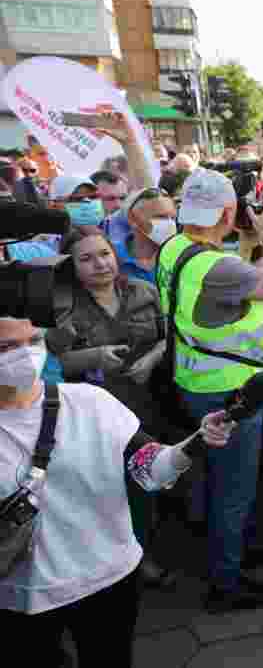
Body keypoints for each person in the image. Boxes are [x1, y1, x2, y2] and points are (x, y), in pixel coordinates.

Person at [0, 316, 232, 667]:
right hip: (22, 595)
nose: (23, 354)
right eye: (6, 347)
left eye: (31, 340)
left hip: (108, 578)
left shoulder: (90, 402)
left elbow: (148, 468)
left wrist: (192, 445)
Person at [155, 168, 263, 612]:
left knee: (216, 481)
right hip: (230, 393)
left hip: (195, 381)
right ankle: (226, 582)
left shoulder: (175, 247)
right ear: (228, 211)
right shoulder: (220, 266)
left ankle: (229, 551)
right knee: (232, 489)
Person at [45, 226, 180, 587]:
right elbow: (48, 360)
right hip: (92, 415)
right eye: (85, 259)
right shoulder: (60, 305)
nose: (99, 264)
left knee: (147, 479)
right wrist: (94, 356)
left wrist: (152, 357)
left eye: (104, 254)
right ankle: (125, 563)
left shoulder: (142, 290)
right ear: (70, 266)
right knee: (108, 490)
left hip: (146, 404)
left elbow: (168, 337)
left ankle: (142, 551)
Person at [114, 188, 178, 284]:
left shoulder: (182, 256)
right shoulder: (112, 255)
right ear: (132, 219)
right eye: (160, 217)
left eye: (173, 218)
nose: (170, 223)